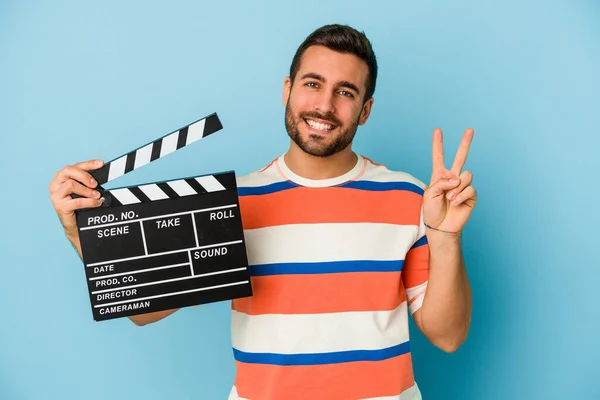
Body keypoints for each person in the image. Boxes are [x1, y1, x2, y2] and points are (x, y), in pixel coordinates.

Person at [49, 24, 476, 400]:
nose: (324, 106)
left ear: (365, 110)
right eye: (313, 83)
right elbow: (144, 311)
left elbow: (448, 335)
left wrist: (446, 237)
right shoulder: (234, 203)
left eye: (345, 92)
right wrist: (79, 235)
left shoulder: (409, 196)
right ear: (287, 89)